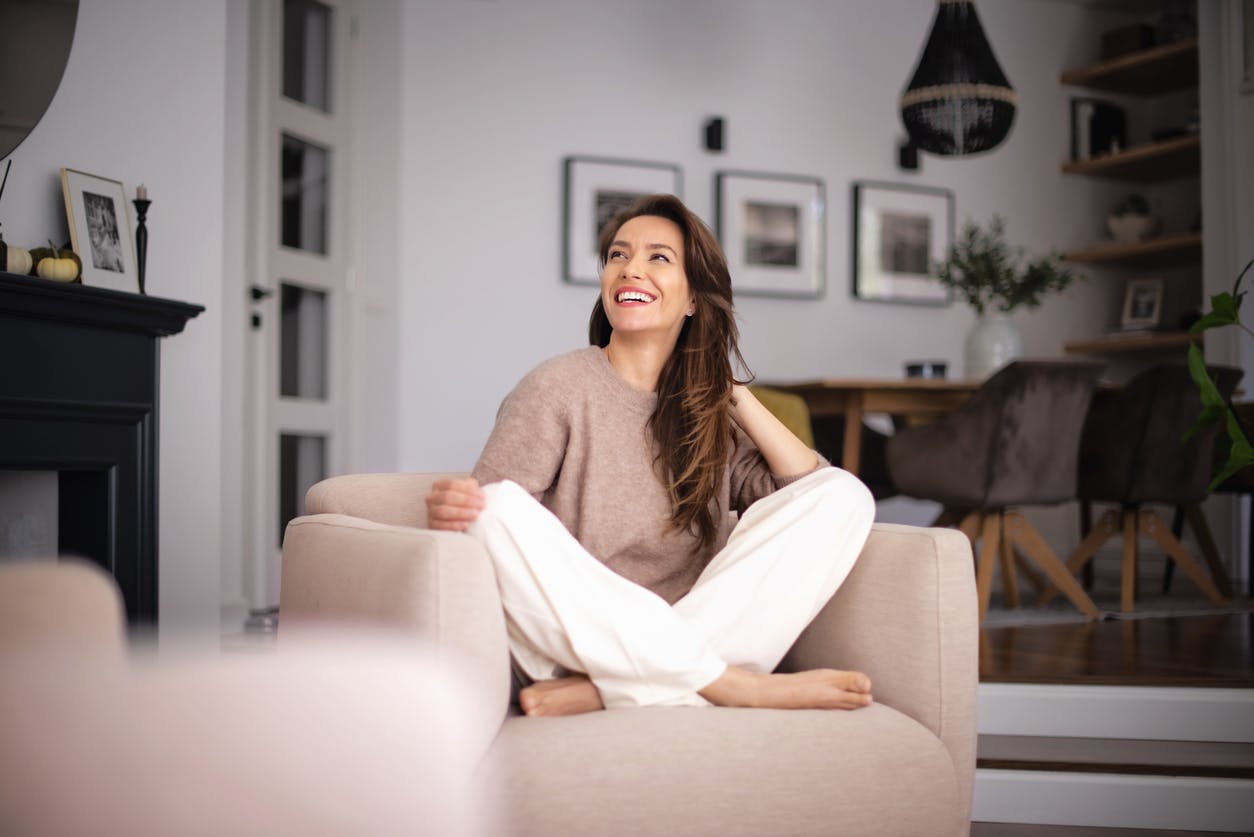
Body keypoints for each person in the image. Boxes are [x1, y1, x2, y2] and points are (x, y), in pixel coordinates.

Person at [425, 194, 876, 717]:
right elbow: (489, 533)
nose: (630, 269)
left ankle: (620, 689)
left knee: (845, 494)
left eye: (658, 258)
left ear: (693, 300)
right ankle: (733, 685)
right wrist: (456, 513)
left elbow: (806, 492)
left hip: (684, 629)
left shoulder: (710, 414)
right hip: (569, 643)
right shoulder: (557, 386)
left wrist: (733, 392)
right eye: (618, 256)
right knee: (496, 507)